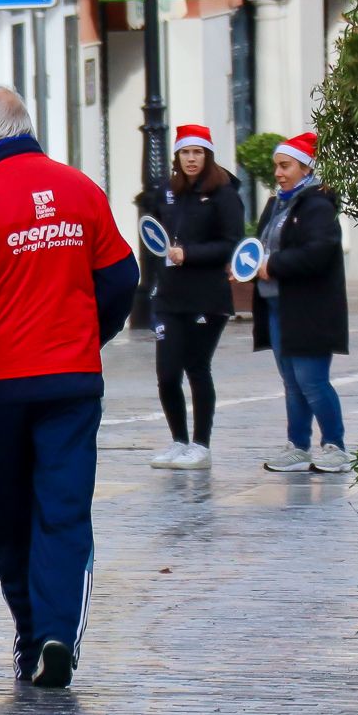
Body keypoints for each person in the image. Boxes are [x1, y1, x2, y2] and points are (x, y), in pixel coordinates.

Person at [0, 86, 135, 690]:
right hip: (70, 383)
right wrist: (88, 335)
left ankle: (29, 631)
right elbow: (122, 277)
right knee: (65, 510)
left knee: (10, 513)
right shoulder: (82, 191)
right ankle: (54, 633)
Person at [144, 125, 245, 470]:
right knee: (167, 372)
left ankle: (201, 444)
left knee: (196, 367)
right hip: (170, 297)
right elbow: (154, 236)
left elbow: (232, 242)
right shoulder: (166, 193)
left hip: (207, 297)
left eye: (198, 152)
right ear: (177, 156)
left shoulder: (224, 193)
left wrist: (190, 254)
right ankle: (178, 440)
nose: (191, 159)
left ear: (208, 155)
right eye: (186, 152)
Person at [249, 132, 350, 474]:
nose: (278, 172)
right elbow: (262, 246)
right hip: (278, 305)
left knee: (312, 380)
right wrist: (246, 266)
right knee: (291, 381)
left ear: (306, 167)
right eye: (276, 165)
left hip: (310, 308)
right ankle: (298, 445)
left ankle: (335, 446)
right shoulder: (276, 204)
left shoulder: (317, 205)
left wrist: (272, 265)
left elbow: (317, 254)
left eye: (285, 165)